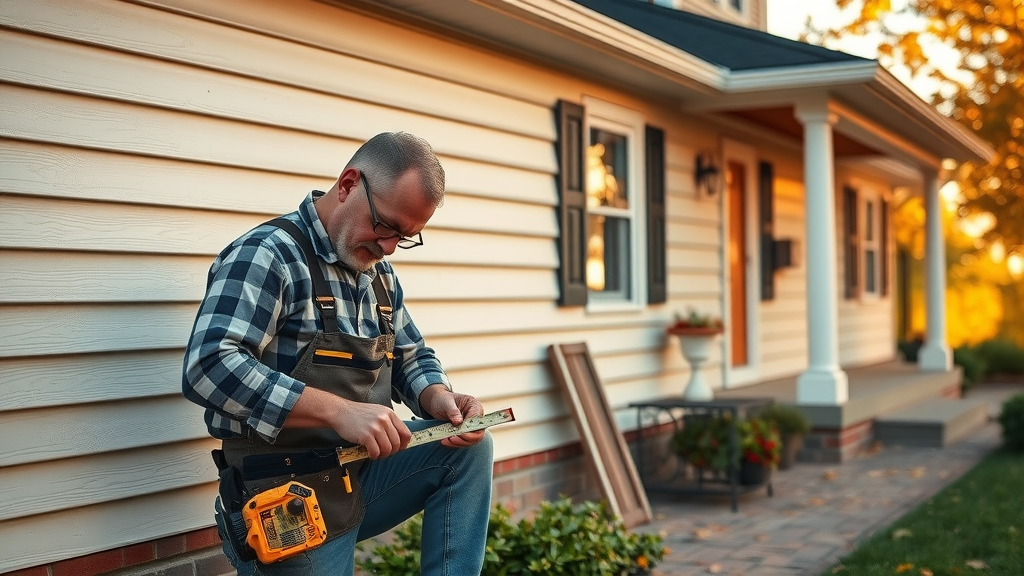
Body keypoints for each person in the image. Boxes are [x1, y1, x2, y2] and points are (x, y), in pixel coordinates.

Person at [182, 132, 494, 576]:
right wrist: (337, 411)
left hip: (360, 471)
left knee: (466, 452)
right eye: (386, 226)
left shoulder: (379, 274)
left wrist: (438, 397)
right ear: (348, 184)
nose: (389, 247)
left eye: (405, 237)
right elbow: (208, 365)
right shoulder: (268, 255)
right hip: (284, 491)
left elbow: (410, 356)